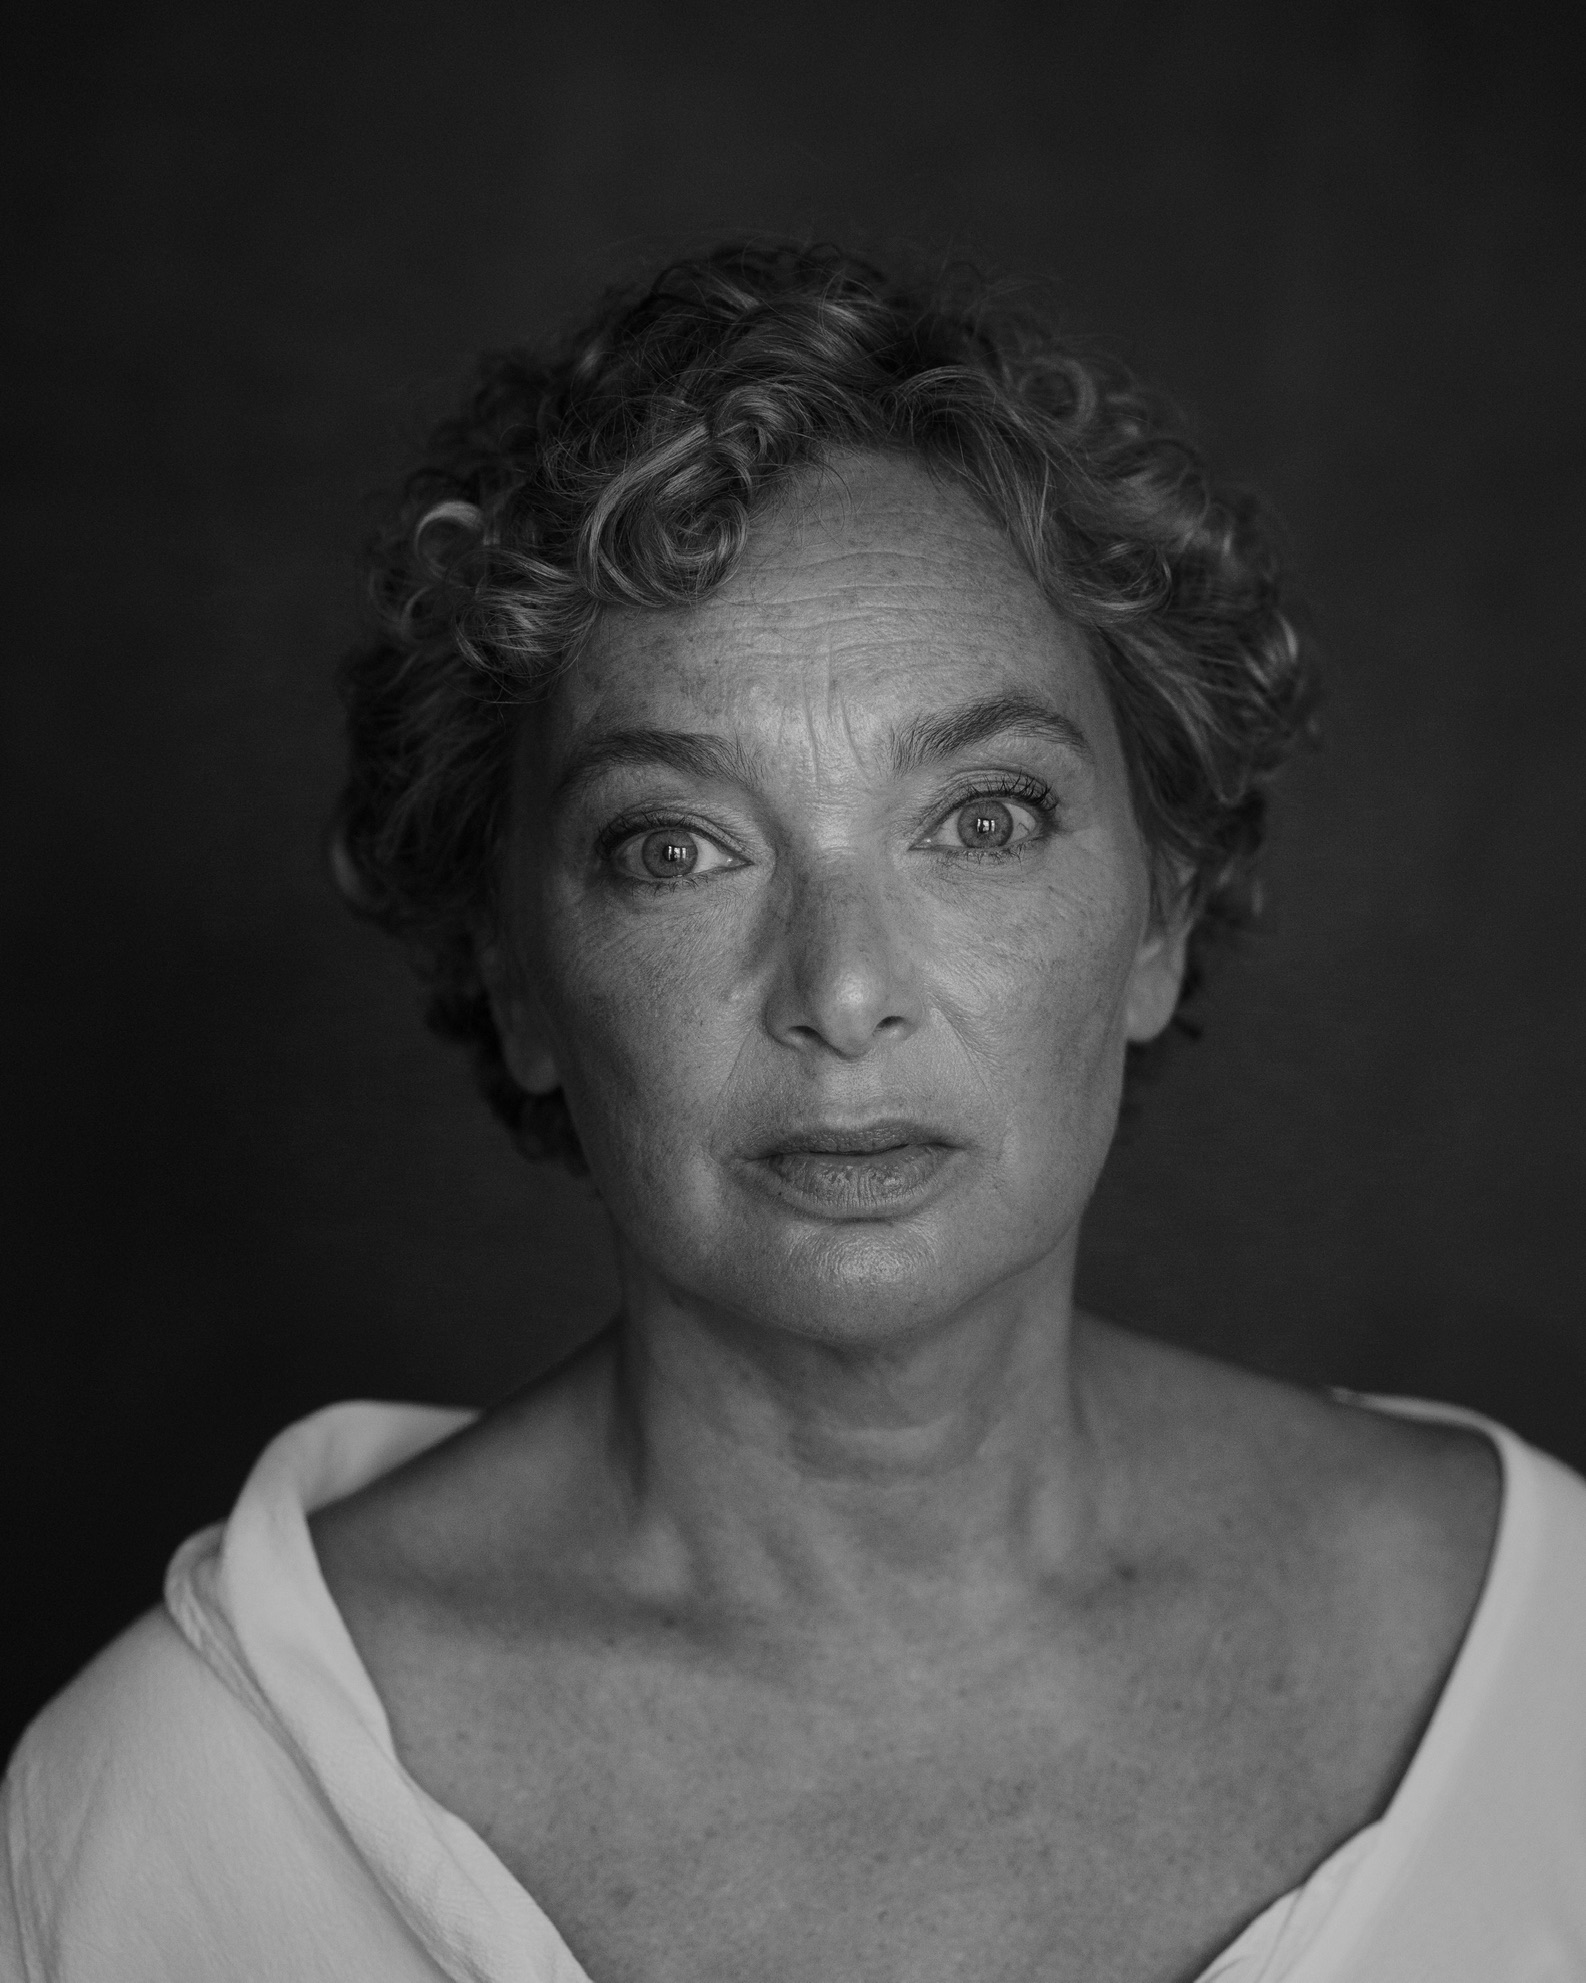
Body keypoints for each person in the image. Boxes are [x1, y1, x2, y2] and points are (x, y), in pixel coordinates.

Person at [4, 242, 1583, 1983]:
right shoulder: (171, 1814)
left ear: (1159, 921)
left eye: (980, 819)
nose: (840, 991)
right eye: (674, 845)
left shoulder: (1547, 1663)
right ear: (517, 980)